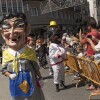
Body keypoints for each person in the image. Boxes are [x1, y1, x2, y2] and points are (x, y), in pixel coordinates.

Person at [0, 13, 45, 100]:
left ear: (27, 30)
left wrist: (40, 77)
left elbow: (35, 67)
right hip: (15, 81)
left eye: (19, 26)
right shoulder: (6, 53)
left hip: (30, 78)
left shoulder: (29, 51)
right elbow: (3, 69)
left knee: (32, 96)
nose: (12, 32)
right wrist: (9, 75)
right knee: (17, 97)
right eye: (6, 28)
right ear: (2, 33)